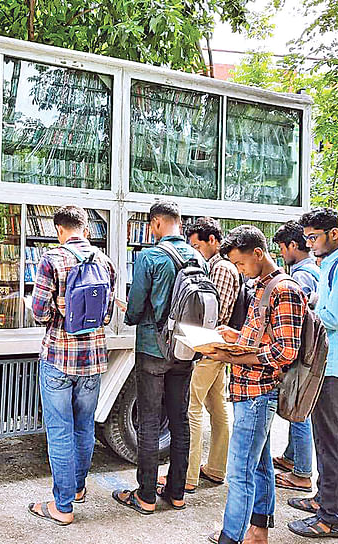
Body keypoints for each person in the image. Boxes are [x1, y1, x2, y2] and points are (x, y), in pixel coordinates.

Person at [206, 225, 306, 544]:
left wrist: (231, 357)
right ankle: (258, 529)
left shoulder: (283, 289)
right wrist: (235, 337)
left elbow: (285, 351)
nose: (238, 270)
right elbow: (265, 336)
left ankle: (231, 537)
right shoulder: (262, 285)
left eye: (240, 264)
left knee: (240, 472)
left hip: (258, 393)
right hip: (248, 391)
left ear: (258, 254)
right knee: (259, 464)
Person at [114, 200, 205, 514]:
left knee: (150, 422)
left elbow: (137, 307)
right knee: (180, 420)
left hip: (153, 348)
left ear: (155, 224)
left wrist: (129, 313)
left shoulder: (150, 256)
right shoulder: (198, 257)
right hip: (186, 348)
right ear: (179, 223)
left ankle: (146, 496)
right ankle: (177, 493)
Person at [27, 205, 117, 526]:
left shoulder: (51, 260)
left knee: (60, 430)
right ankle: (77, 488)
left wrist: (56, 312)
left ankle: (62, 507)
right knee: (84, 426)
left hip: (58, 359)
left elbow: (38, 312)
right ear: (86, 229)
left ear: (58, 230)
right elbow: (105, 317)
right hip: (93, 360)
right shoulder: (106, 263)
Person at [287, 208, 338, 539]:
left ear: (334, 234)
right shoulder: (330, 267)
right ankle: (322, 499)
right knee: (322, 437)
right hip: (323, 363)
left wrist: (305, 309)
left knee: (333, 442)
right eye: (306, 238)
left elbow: (333, 318)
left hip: (333, 368)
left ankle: (332, 518)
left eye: (313, 237)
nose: (309, 244)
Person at [178, 217, 236, 493]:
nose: (195, 251)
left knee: (193, 407)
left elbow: (216, 315)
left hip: (210, 347)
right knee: (217, 405)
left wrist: (198, 344)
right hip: (217, 349)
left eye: (197, 245)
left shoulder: (221, 267)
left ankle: (188, 475)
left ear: (212, 240)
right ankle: (215, 468)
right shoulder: (217, 265)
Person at [271, 221, 320, 494]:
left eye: (281, 247)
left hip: (301, 353)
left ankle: (302, 473)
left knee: (298, 410)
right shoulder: (313, 270)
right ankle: (292, 458)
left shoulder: (301, 276)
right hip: (310, 351)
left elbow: (296, 322)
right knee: (297, 407)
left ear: (293, 245)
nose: (281, 253)